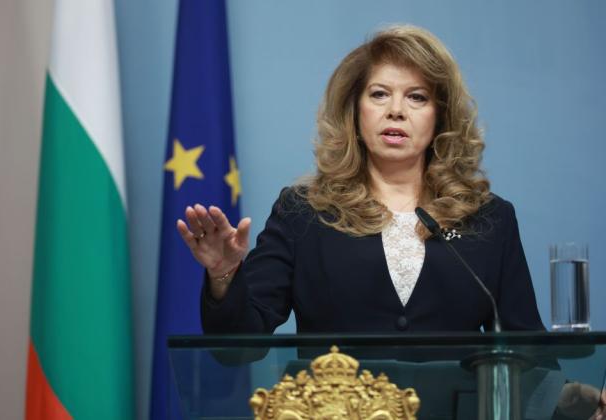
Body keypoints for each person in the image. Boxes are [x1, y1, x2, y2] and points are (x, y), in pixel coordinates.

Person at [176, 24, 545, 334]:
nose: (396, 111)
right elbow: (239, 344)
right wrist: (224, 274)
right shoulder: (303, 213)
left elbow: (528, 355)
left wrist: (572, 394)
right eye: (380, 94)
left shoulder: (489, 220)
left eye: (417, 97)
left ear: (440, 117)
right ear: (354, 111)